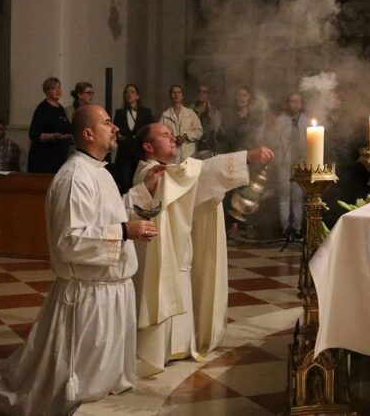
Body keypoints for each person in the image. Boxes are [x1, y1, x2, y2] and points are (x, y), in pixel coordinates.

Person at [0, 105, 164, 416]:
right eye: (107, 123)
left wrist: (142, 192)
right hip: (88, 299)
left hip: (112, 293)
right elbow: (70, 241)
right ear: (88, 134)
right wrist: (124, 232)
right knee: (77, 383)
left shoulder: (99, 171)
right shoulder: (75, 177)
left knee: (104, 383)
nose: (115, 128)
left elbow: (110, 213)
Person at [128, 122, 274, 376]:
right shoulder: (152, 173)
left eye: (172, 135)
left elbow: (195, 183)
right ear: (148, 146)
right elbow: (202, 174)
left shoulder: (169, 173)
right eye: (165, 135)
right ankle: (157, 351)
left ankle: (180, 347)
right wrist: (246, 158)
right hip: (161, 258)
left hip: (178, 255)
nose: (172, 139)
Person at [275, 93, 306, 240]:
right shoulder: (281, 120)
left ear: (301, 103)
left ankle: (297, 228)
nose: (294, 104)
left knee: (297, 197)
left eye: (297, 101)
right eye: (292, 101)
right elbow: (274, 139)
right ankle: (285, 228)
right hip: (284, 162)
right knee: (284, 196)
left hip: (300, 162)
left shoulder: (305, 120)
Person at [112, 84, 155, 193]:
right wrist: (119, 137)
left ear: (137, 96)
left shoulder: (146, 113)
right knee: (125, 183)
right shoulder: (119, 113)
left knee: (140, 183)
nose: (128, 94)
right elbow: (115, 130)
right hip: (124, 154)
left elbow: (152, 130)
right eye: (126, 92)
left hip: (140, 154)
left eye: (132, 92)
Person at [27, 77, 72, 173]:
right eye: (53, 88)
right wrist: (53, 136)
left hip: (59, 157)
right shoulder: (42, 109)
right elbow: (34, 134)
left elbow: (67, 128)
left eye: (59, 87)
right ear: (47, 91)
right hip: (44, 158)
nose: (58, 91)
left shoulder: (61, 109)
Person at [160, 85, 203, 163]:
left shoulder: (190, 113)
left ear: (182, 96)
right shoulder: (165, 115)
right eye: (174, 92)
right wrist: (173, 139)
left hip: (189, 156)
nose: (176, 95)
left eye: (179, 92)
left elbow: (199, 132)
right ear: (170, 96)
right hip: (173, 157)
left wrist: (186, 136)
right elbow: (161, 136)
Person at [191, 84, 220, 154]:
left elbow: (216, 129)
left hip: (208, 146)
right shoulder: (191, 110)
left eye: (204, 92)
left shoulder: (213, 110)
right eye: (200, 92)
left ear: (207, 95)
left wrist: (211, 118)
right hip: (193, 145)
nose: (201, 94)